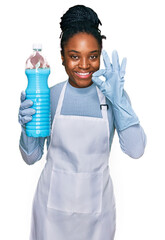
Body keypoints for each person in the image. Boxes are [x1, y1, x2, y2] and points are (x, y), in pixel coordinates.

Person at [18, 5, 146, 240]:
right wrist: (27, 129)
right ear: (62, 57)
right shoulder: (50, 95)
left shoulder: (112, 94)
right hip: (50, 213)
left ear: (100, 55)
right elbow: (30, 157)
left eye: (93, 56)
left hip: (98, 214)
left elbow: (136, 150)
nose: (85, 66)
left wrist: (120, 101)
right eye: (75, 56)